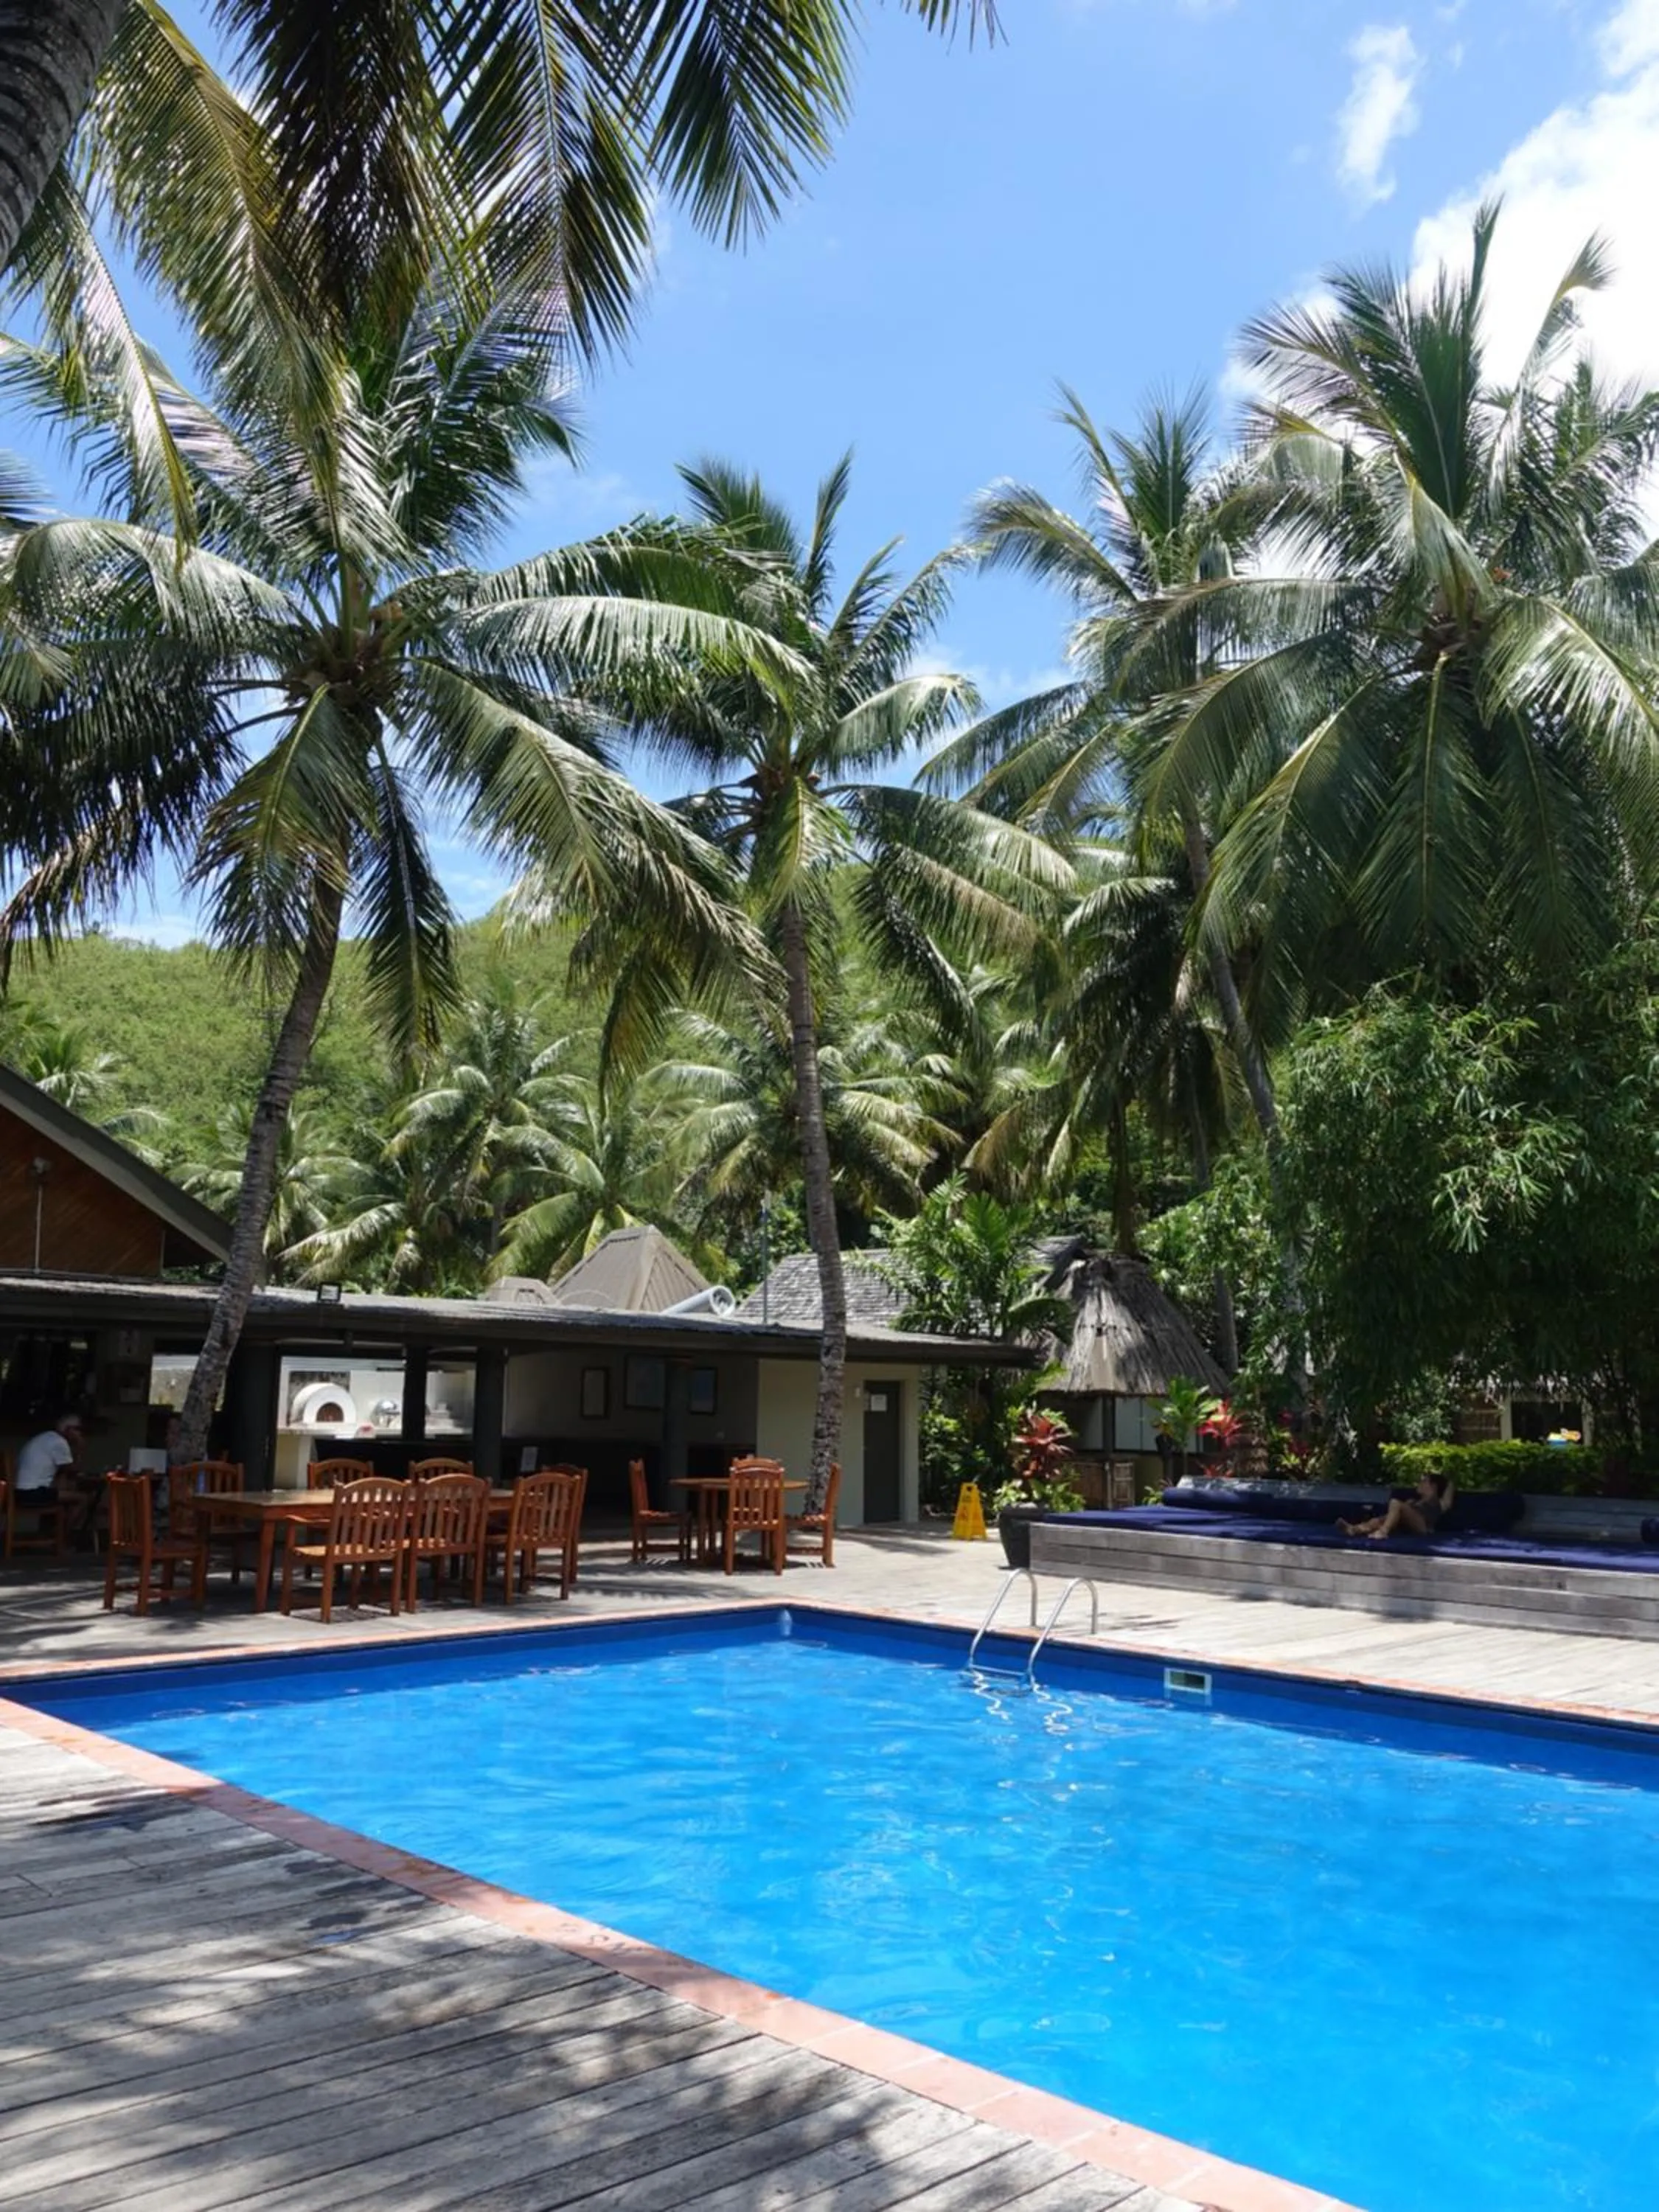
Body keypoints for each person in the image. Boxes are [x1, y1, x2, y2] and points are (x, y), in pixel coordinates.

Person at [1338, 1472, 1454, 1540]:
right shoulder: (1413, 1502)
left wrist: (1448, 1479)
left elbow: (1449, 1489)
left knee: (1396, 1503)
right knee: (1380, 1519)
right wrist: (1382, 1520)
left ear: (1433, 1486)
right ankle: (1355, 1529)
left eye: (1424, 1481)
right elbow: (1394, 1515)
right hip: (1407, 1525)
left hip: (1423, 1526)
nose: (1419, 1484)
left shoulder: (1439, 1503)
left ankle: (1383, 1532)